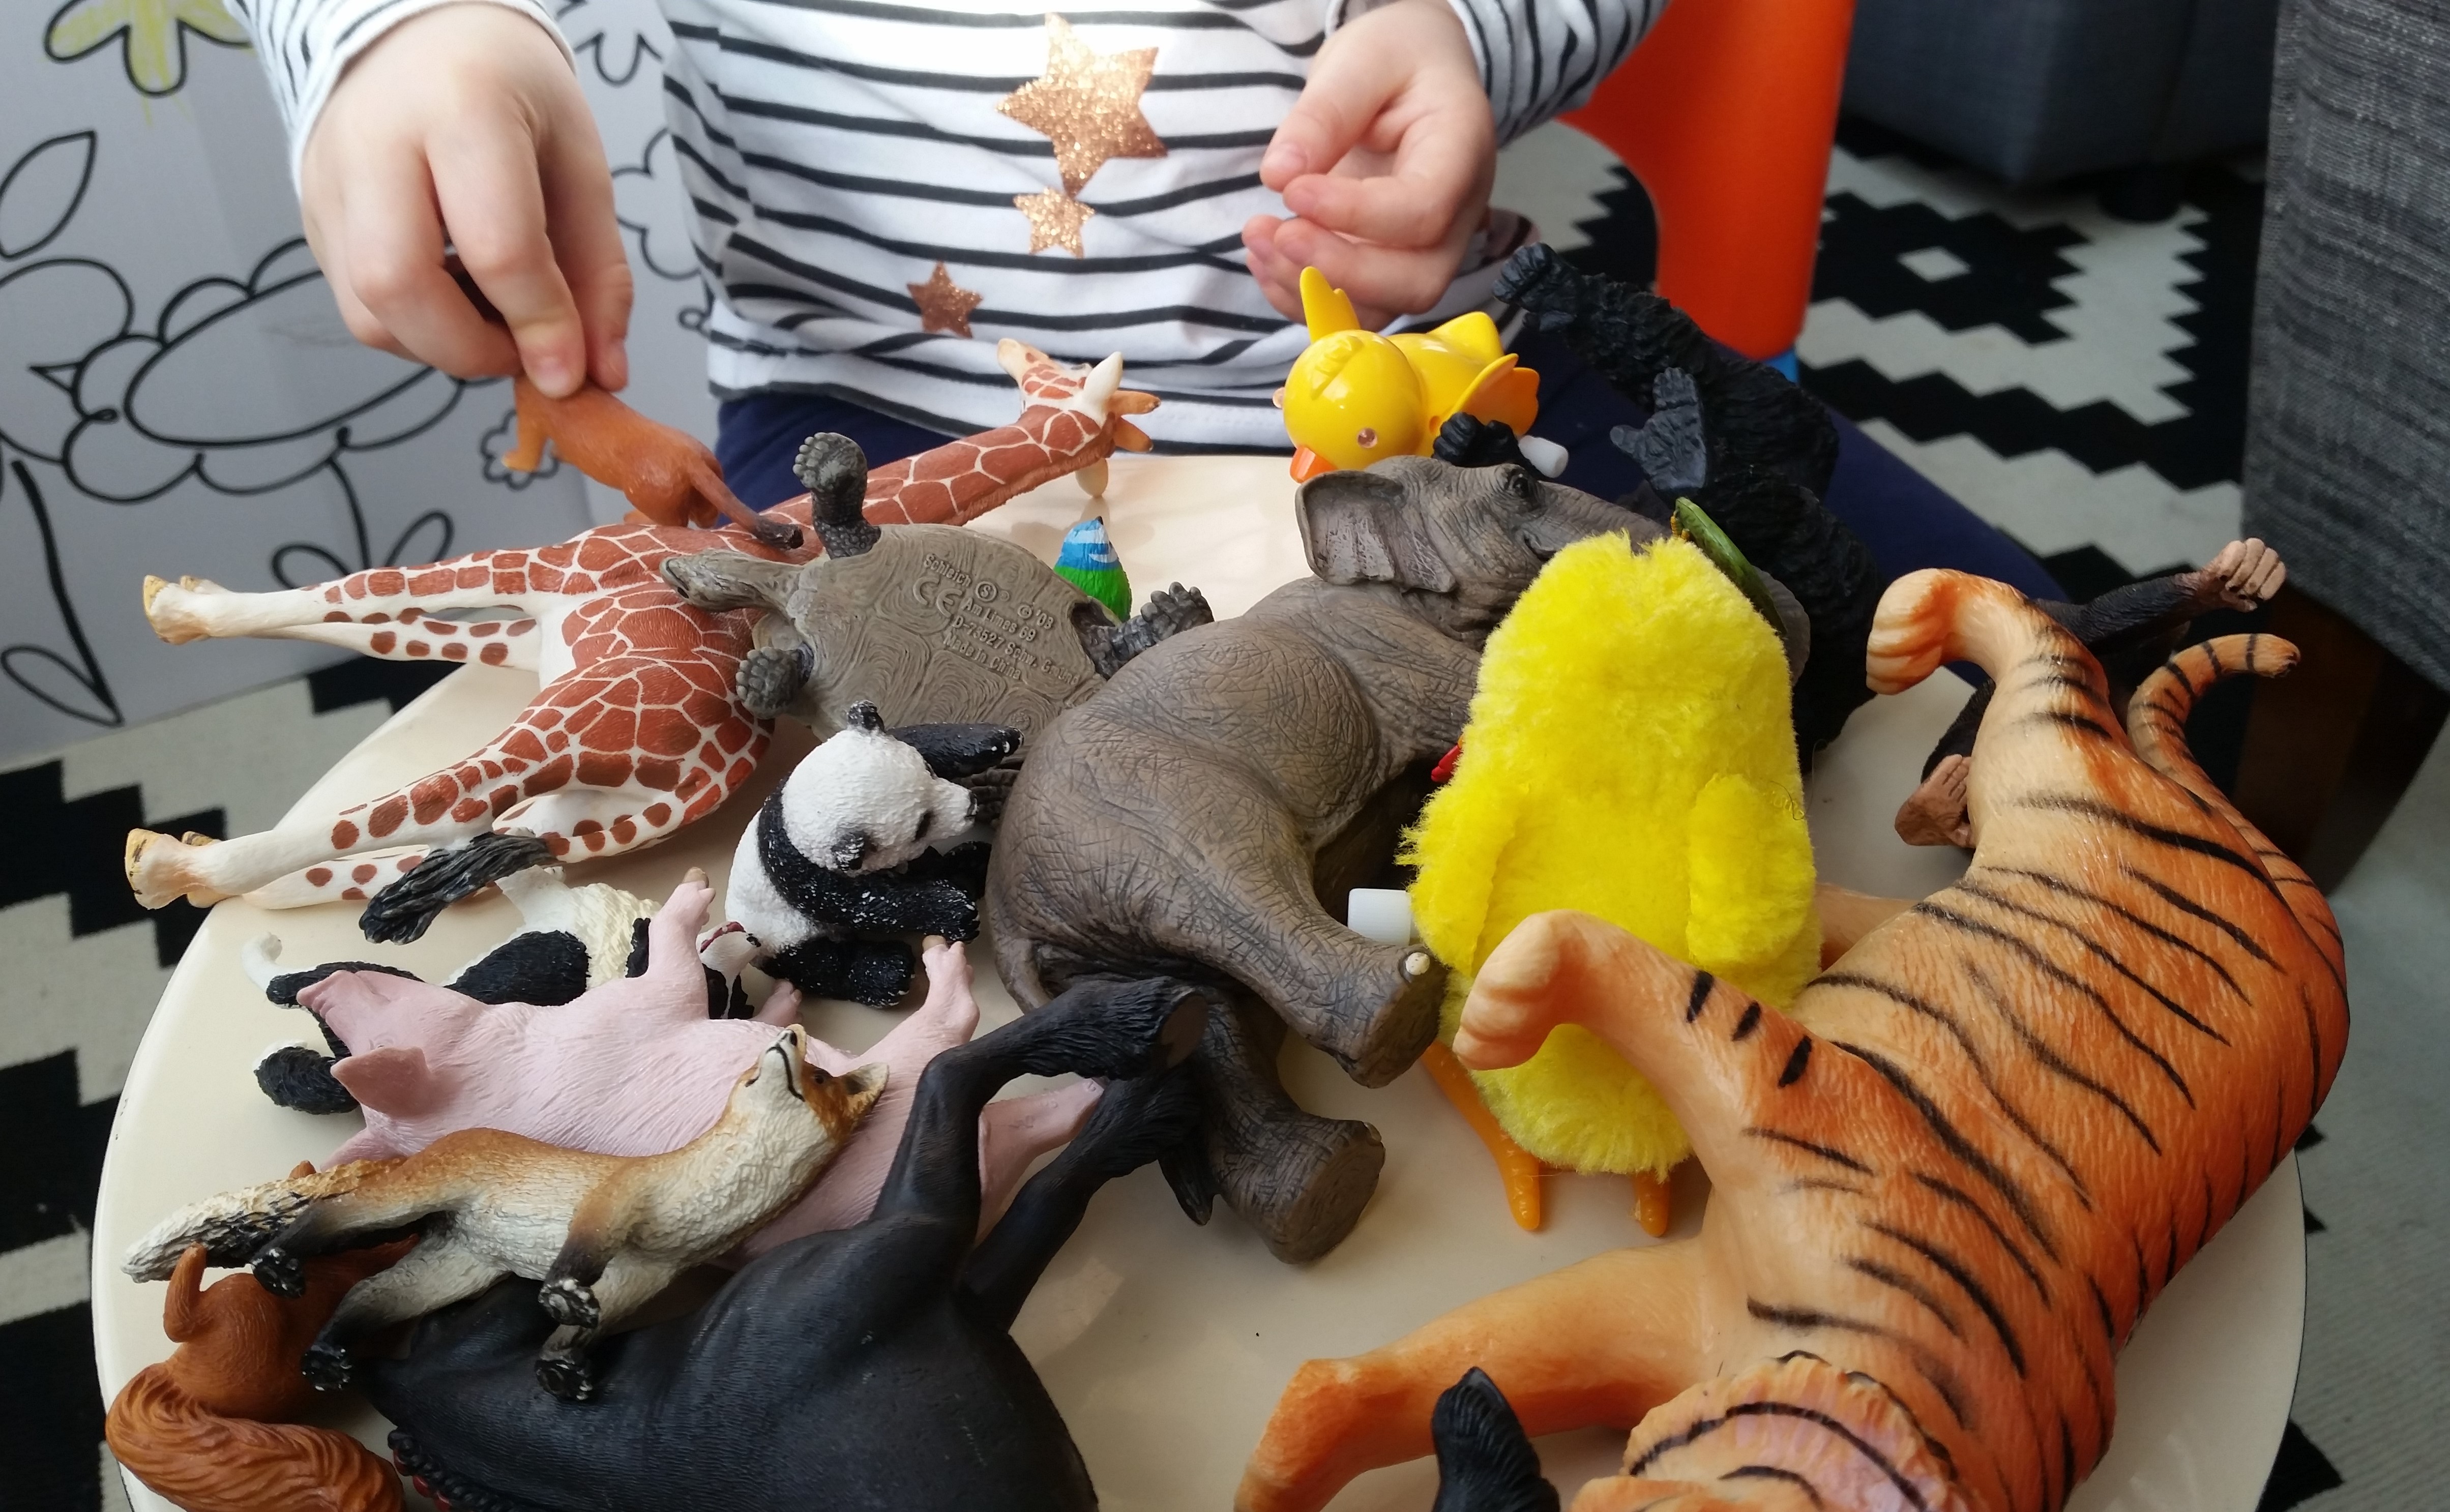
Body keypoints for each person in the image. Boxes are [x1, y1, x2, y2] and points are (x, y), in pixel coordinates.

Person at [222, 0, 2059, 597]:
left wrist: (1464, 35)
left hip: (1458, 371)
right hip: (878, 427)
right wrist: (390, 37)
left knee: (2063, 680)